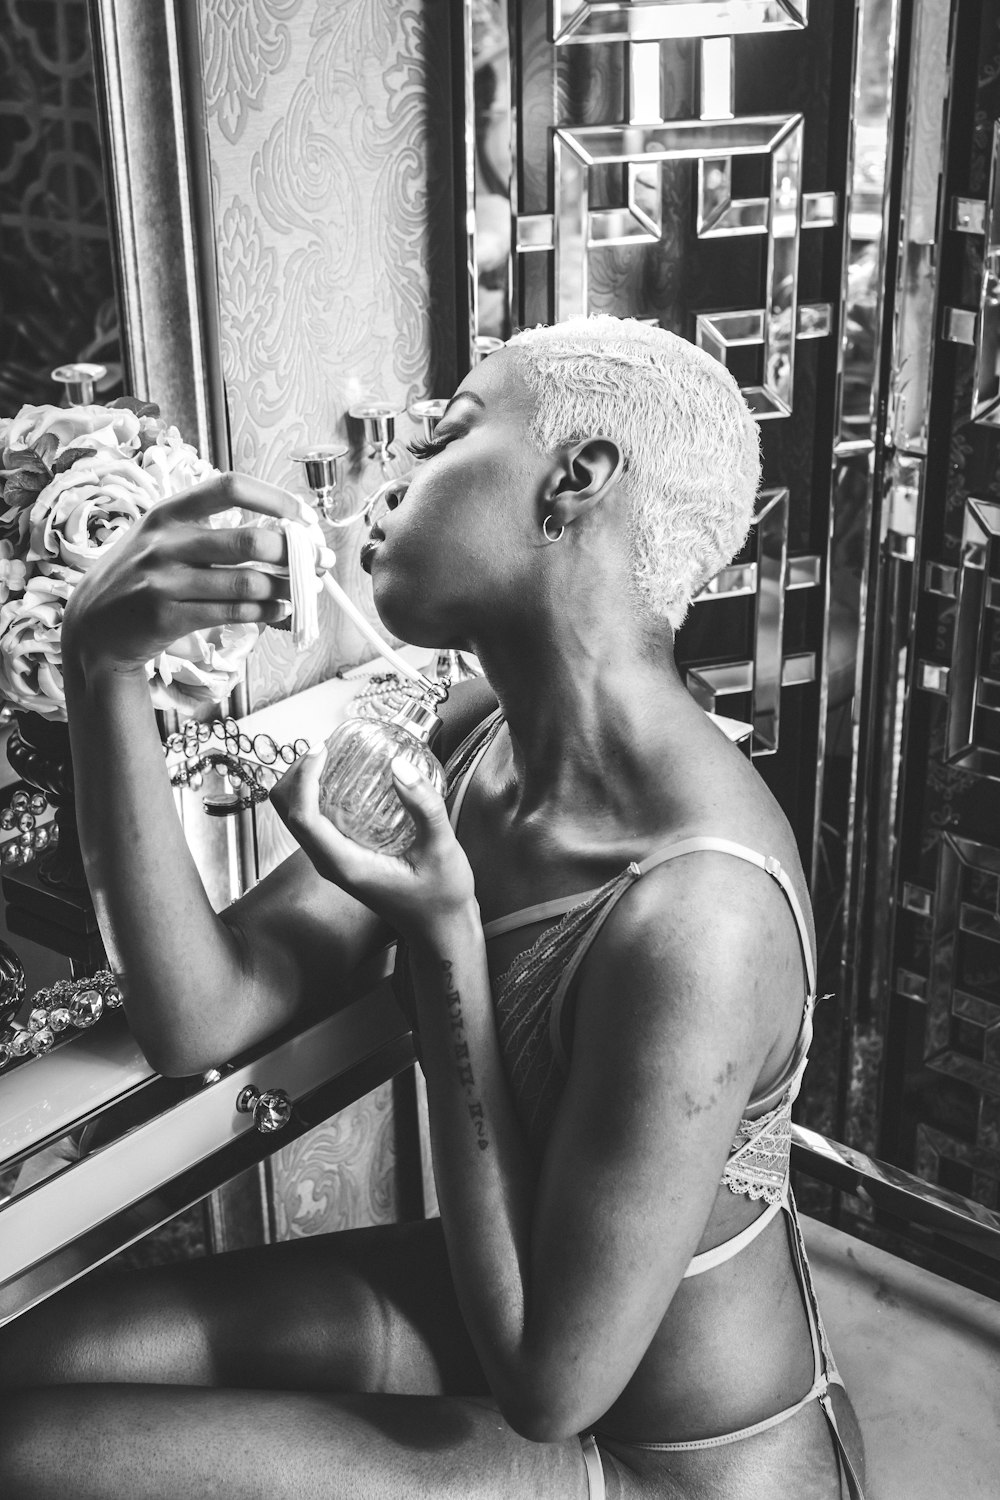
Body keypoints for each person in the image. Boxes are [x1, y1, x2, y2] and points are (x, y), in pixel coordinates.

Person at [0, 316, 865, 1498]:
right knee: (29, 1352)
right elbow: (204, 1013)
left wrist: (442, 936)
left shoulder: (699, 921)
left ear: (576, 480)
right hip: (499, 1295)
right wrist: (105, 669)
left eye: (445, 438)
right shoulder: (473, 734)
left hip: (668, 1460)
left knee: (24, 1452)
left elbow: (551, 1393)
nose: (388, 489)